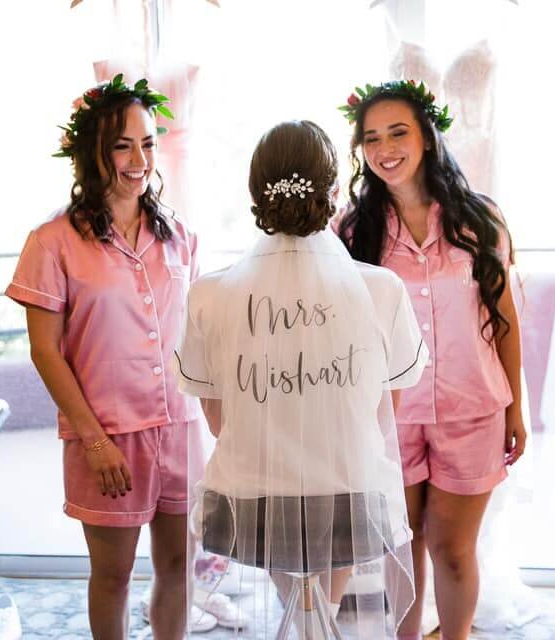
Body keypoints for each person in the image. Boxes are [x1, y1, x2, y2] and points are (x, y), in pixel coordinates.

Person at [173, 120, 426, 638]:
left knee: (298, 611)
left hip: (250, 503)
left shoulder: (208, 294)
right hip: (350, 499)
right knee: (320, 616)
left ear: (255, 194)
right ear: (334, 192)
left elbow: (219, 421)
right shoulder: (381, 290)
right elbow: (383, 416)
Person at [6, 74, 201, 640]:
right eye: (122, 145)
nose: (138, 159)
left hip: (181, 429)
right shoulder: (51, 242)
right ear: (91, 152)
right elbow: (45, 352)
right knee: (112, 577)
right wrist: (94, 441)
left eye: (147, 143)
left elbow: (197, 337)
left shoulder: (180, 236)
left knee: (179, 570)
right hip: (108, 436)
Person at [335, 79, 527, 640]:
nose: (384, 148)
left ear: (427, 138)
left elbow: (505, 318)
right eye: (371, 138)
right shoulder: (351, 231)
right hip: (390, 413)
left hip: (474, 408)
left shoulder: (480, 218)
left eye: (398, 132)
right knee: (402, 545)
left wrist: (513, 407)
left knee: (452, 548)